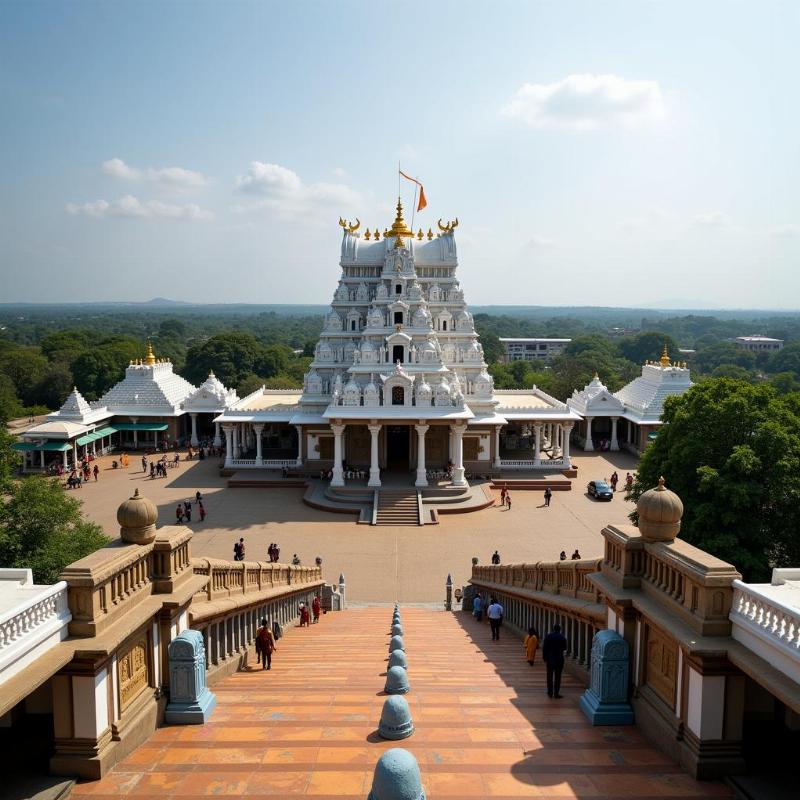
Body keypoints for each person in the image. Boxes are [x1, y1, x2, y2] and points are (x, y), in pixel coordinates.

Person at [542, 623, 568, 698]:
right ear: (560, 630)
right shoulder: (562, 637)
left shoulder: (548, 636)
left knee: (549, 676)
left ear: (553, 629)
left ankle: (550, 692)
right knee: (558, 677)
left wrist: (544, 657)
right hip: (559, 659)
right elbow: (565, 648)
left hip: (550, 659)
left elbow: (545, 648)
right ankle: (556, 693)